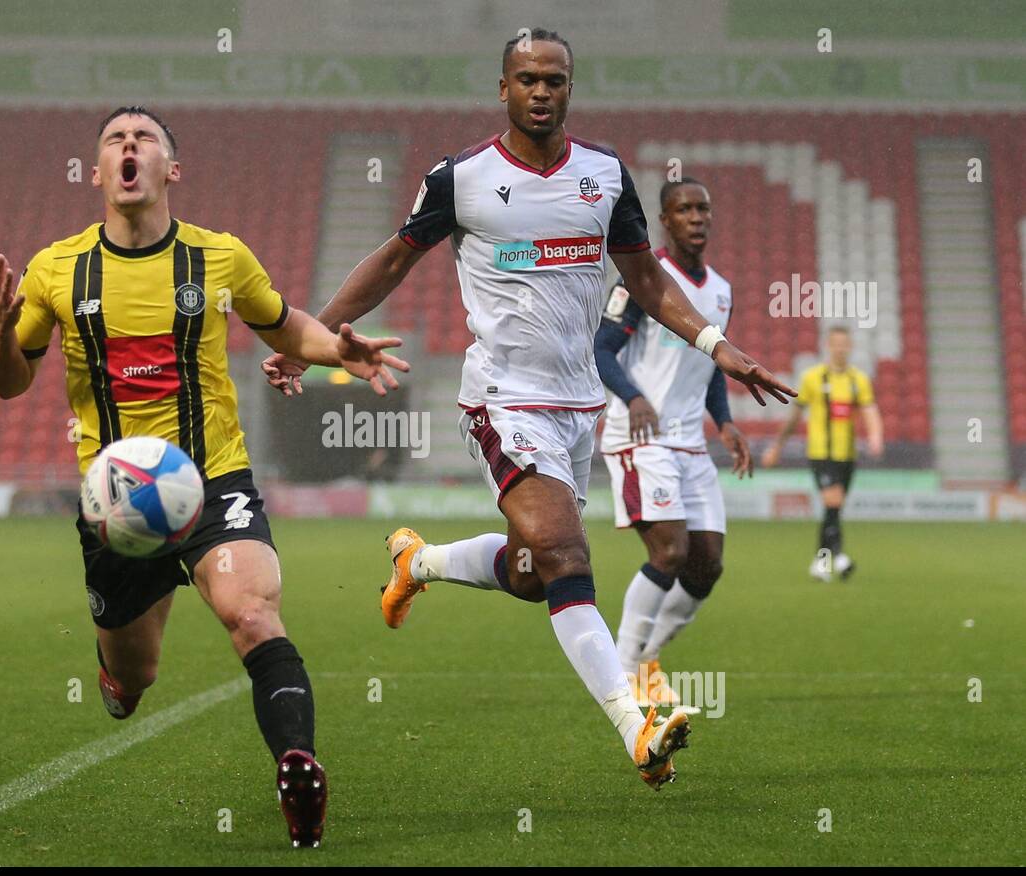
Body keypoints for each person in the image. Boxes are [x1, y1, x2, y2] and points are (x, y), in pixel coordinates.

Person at [261, 32, 795, 790]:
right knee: (568, 556)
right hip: (504, 399)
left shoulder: (604, 175)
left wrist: (718, 345)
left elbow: (645, 280)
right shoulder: (462, 179)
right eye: (528, 79)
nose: (542, 91)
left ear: (571, 89)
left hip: (581, 405)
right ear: (502, 88)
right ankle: (634, 724)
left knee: (532, 570)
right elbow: (392, 260)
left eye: (556, 80)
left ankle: (422, 562)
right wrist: (306, 338)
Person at [0, 106, 408, 847]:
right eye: (115, 139)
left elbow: (284, 325)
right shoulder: (58, 269)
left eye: (144, 139)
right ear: (97, 171)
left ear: (170, 169)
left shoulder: (219, 257)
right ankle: (120, 679)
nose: (129, 147)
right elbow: (10, 383)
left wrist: (341, 351)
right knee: (136, 675)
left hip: (213, 480)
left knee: (252, 614)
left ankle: (297, 768)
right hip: (116, 502)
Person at [594, 178, 751, 708]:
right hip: (641, 435)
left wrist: (724, 422)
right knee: (669, 551)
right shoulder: (645, 277)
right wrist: (635, 397)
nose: (696, 217)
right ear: (665, 220)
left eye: (703, 207)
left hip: (689, 441)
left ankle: (646, 659)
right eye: (684, 209)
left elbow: (708, 362)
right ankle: (620, 677)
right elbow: (603, 349)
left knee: (707, 565)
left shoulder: (722, 290)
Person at [762, 325, 883, 581]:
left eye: (844, 344)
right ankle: (837, 556)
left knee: (834, 509)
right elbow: (795, 416)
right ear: (828, 346)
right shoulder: (812, 378)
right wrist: (777, 446)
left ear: (849, 347)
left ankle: (823, 560)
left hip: (846, 455)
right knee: (833, 502)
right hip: (820, 453)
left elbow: (870, 409)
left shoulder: (857, 380)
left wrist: (875, 436)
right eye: (835, 343)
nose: (840, 348)